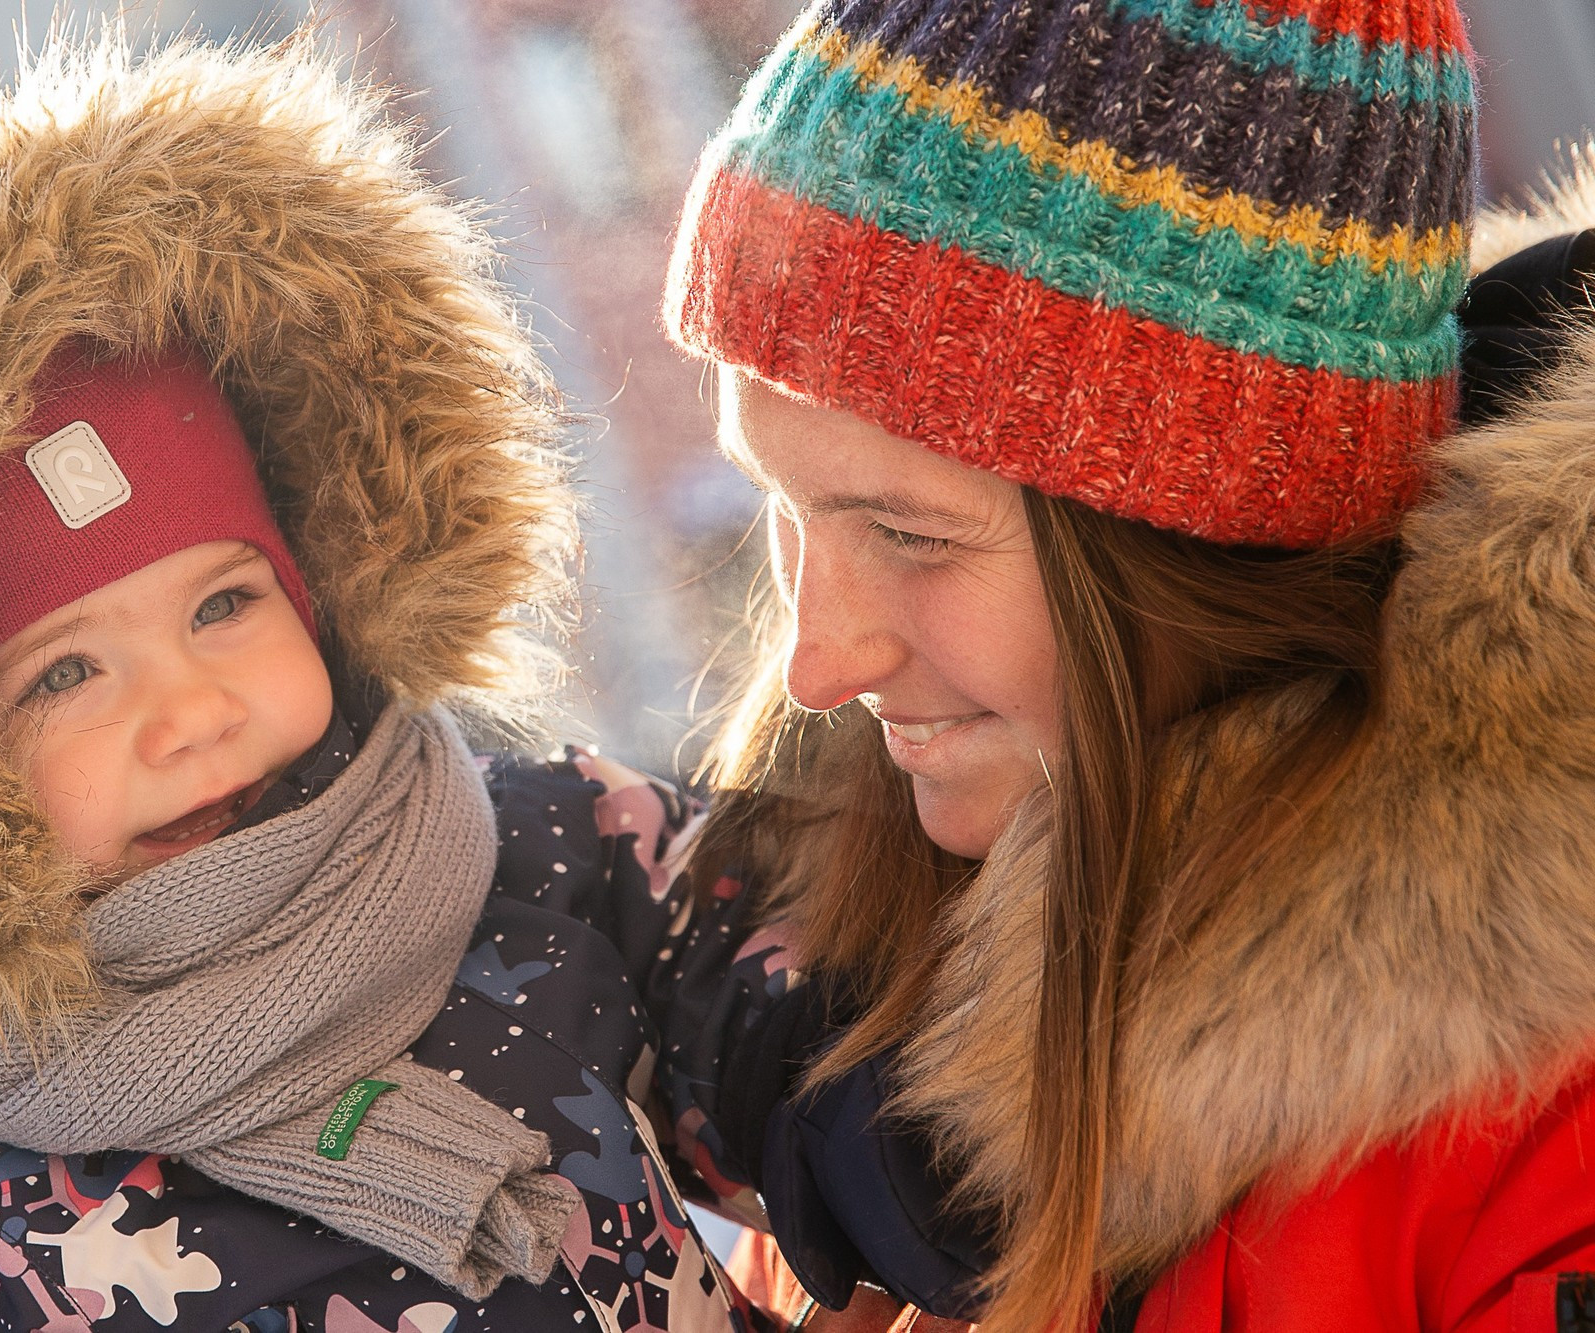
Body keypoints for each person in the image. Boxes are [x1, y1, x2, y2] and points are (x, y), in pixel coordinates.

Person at [0, 31, 758, 1333]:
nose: (194, 710)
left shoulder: (539, 852)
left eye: (223, 603)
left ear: (319, 578)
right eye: (66, 672)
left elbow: (829, 1024)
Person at [629, 0, 1595, 1328]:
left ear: (1207, 541)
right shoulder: (854, 991)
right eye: (782, 508)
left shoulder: (1540, 1131)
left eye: (913, 534)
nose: (816, 662)